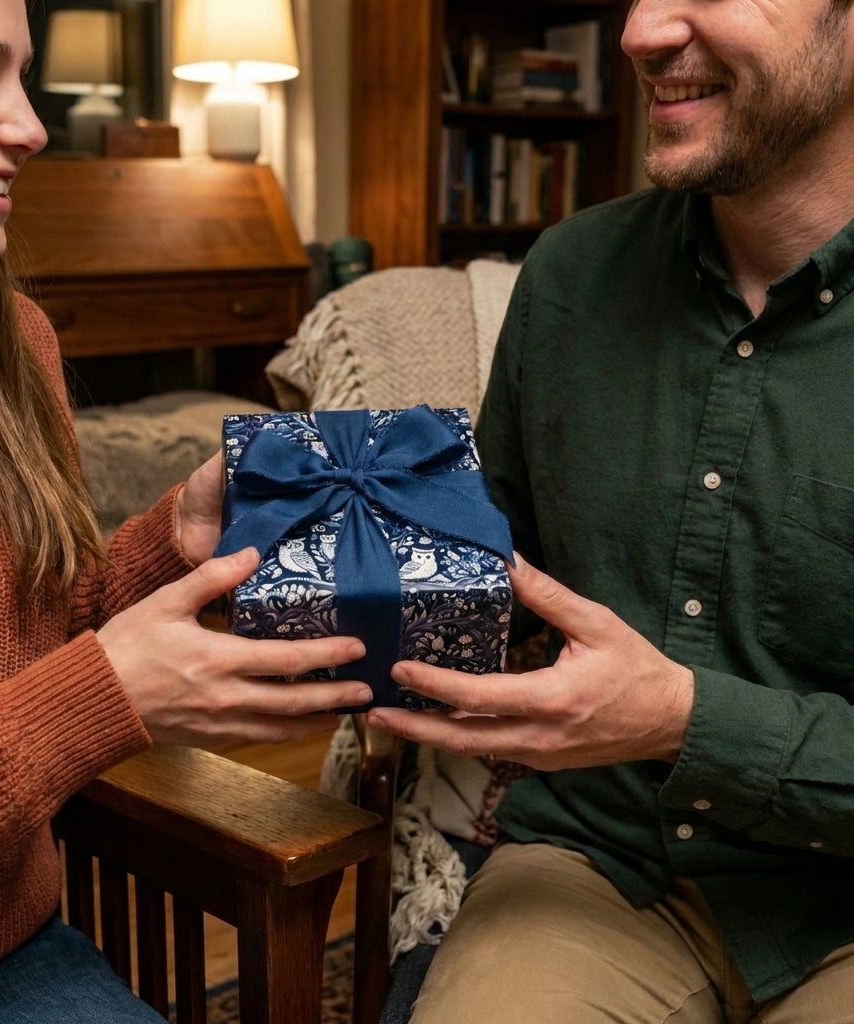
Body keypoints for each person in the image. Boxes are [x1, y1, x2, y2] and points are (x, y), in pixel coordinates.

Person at [0, 0, 373, 1019]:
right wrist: (102, 694)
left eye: (24, 75)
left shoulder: (13, 342)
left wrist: (173, 538)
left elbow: (41, 622)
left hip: (6, 955)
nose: (31, 124)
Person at [366, 0, 854, 1020]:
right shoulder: (571, 273)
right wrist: (320, 562)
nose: (637, 32)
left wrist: (684, 719)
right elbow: (483, 584)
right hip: (599, 860)